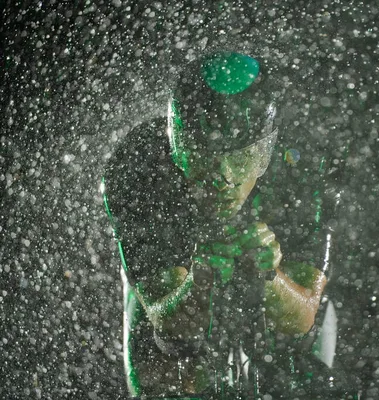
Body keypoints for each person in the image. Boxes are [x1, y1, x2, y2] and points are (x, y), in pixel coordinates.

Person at [101, 50, 340, 399]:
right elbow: (169, 326)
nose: (223, 178)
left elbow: (300, 319)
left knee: (303, 366)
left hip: (263, 267)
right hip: (178, 270)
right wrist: (198, 286)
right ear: (177, 147)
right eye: (203, 157)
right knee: (166, 368)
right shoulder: (140, 168)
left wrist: (272, 277)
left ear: (268, 151)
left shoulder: (305, 165)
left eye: (243, 157)